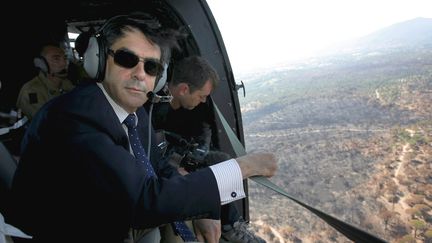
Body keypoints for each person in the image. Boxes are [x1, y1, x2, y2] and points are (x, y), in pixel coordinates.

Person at [7, 13, 277, 243]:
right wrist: (243, 167)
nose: (140, 74)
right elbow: (146, 202)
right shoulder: (71, 119)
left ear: (159, 79)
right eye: (126, 59)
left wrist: (208, 210)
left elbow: (158, 167)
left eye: (151, 67)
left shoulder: (134, 114)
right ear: (98, 60)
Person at [146, 56, 266, 243]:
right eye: (201, 96)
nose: (203, 101)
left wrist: (198, 153)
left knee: (223, 160)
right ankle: (229, 226)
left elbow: (203, 131)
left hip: (182, 157)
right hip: (162, 169)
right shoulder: (151, 110)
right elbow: (148, 153)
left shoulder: (192, 107)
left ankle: (231, 224)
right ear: (184, 89)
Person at [16, 44, 75, 120]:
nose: (64, 64)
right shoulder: (31, 91)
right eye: (56, 59)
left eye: (65, 58)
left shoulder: (66, 83)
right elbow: (45, 123)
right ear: (41, 64)